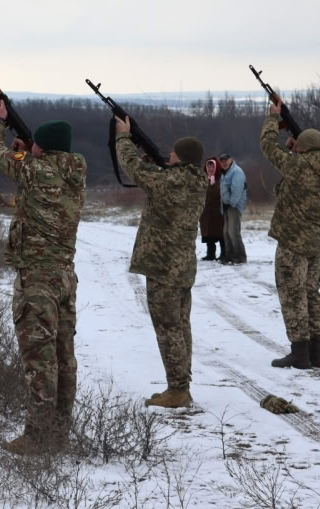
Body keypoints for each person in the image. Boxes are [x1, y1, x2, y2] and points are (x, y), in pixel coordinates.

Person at [0, 100, 86, 455]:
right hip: (64, 279)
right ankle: (59, 434)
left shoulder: (35, 170)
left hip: (38, 281)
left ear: (42, 147)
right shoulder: (73, 171)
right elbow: (37, 167)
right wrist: (28, 153)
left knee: (39, 361)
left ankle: (37, 436)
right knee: (62, 357)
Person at [115, 115, 207, 408]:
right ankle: (181, 383)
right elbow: (165, 179)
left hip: (163, 267)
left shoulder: (171, 181)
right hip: (181, 267)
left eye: (174, 153)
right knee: (180, 326)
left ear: (182, 158)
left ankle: (178, 389)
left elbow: (132, 168)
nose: (169, 155)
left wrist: (123, 137)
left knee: (168, 327)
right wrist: (156, 164)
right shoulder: (195, 180)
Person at [260, 101, 320, 369]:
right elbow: (302, 168)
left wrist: (273, 119)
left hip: (292, 241)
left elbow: (268, 147)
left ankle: (299, 352)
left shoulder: (297, 166)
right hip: (315, 243)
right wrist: (296, 150)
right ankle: (318, 352)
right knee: (311, 293)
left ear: (303, 148)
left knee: (293, 295)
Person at [219, 153, 248, 264]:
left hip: (234, 206)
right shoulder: (224, 173)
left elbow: (237, 190)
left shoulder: (237, 172)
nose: (224, 162)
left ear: (231, 159)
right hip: (226, 206)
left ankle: (240, 257)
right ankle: (229, 256)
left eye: (226, 160)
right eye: (222, 161)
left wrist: (231, 203)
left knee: (233, 232)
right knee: (226, 232)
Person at [199, 157, 225, 261]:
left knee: (221, 234)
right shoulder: (203, 179)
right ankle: (210, 254)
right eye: (208, 166)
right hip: (206, 212)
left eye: (212, 166)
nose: (210, 168)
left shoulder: (222, 178)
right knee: (208, 233)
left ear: (216, 167)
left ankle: (224, 253)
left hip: (219, 212)